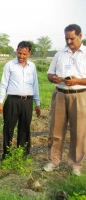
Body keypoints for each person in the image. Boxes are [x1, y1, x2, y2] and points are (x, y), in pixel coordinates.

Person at [43, 24, 86, 176]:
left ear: (80, 36)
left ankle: (75, 164)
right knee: (56, 129)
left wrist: (77, 81)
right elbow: (49, 74)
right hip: (60, 94)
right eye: (66, 38)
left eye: (72, 38)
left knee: (79, 131)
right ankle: (53, 160)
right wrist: (53, 78)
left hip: (80, 95)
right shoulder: (59, 53)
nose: (68, 41)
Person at [0, 41, 41, 160]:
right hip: (12, 101)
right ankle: (7, 154)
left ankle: (22, 153)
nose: (21, 56)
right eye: (19, 53)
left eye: (24, 54)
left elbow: (35, 85)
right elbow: (3, 84)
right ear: (16, 51)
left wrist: (37, 103)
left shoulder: (32, 67)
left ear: (29, 53)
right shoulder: (9, 65)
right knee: (8, 127)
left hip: (27, 101)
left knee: (25, 127)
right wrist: (0, 102)